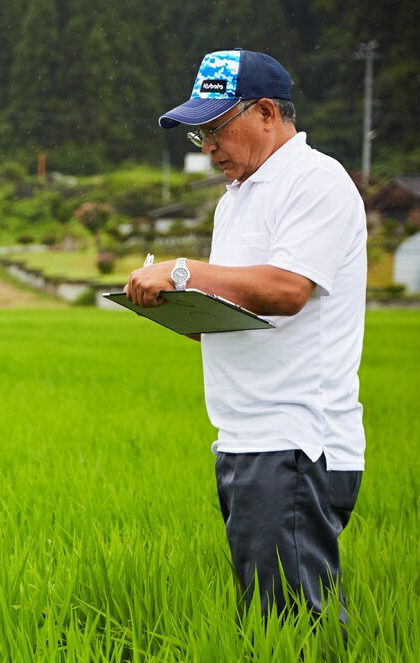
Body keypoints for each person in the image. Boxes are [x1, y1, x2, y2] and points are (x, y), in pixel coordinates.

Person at [124, 50, 366, 631]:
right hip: (245, 436)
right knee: (268, 622)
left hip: (295, 439)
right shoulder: (237, 200)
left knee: (289, 632)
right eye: (199, 133)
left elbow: (286, 290)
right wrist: (181, 309)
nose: (207, 146)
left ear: (265, 112)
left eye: (215, 127)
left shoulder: (315, 181)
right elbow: (238, 306)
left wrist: (182, 272)